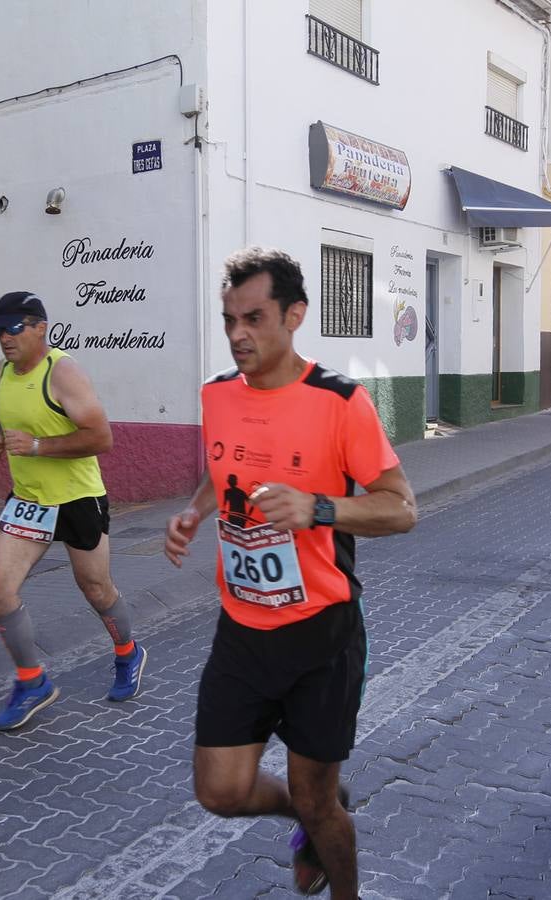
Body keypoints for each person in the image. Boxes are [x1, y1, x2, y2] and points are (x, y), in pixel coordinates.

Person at [164, 247, 416, 898]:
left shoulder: (340, 402)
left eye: (253, 317)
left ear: (294, 314)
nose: (238, 333)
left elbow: (401, 508)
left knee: (317, 795)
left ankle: (339, 876)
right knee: (219, 792)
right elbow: (223, 466)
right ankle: (299, 819)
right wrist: (194, 512)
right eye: (228, 320)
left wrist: (318, 508)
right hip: (242, 632)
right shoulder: (217, 395)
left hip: (321, 636)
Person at [0, 291, 147, 731]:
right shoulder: (2, 373)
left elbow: (101, 437)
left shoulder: (64, 373)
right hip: (28, 500)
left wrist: (37, 447)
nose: (5, 337)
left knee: (96, 589)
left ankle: (129, 653)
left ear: (40, 328)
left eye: (14, 328)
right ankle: (32, 682)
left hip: (77, 499)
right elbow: (14, 420)